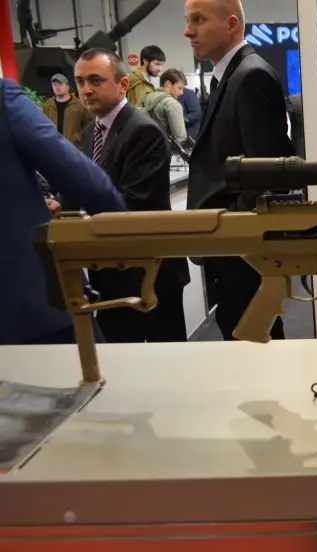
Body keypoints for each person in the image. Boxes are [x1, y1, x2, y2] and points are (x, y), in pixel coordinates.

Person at [184, 0, 294, 341]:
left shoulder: (250, 76)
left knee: (255, 342)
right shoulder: (231, 77)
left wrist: (230, 232)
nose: (187, 31)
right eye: (188, 20)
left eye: (198, 20)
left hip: (241, 250)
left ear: (232, 24)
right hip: (230, 249)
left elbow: (268, 176)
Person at [74, 49, 190, 343]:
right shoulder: (90, 133)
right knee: (119, 361)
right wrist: (63, 201)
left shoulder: (143, 131)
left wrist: (78, 213)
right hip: (111, 272)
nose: (86, 89)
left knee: (166, 362)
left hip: (149, 272)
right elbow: (89, 183)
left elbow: (132, 204)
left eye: (96, 80)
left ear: (123, 84)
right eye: (81, 81)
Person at [0, 78, 125, 345]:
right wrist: (128, 242)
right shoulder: (4, 99)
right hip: (31, 303)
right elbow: (87, 182)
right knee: (90, 369)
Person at [41, 74, 92, 146]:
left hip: (72, 147)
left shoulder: (79, 104)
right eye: (55, 85)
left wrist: (78, 138)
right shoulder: (48, 104)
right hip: (53, 146)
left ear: (67, 86)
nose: (57, 87)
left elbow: (90, 125)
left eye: (60, 84)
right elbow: (43, 124)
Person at [140, 68, 189, 142]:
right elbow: (180, 138)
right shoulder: (172, 104)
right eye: (179, 88)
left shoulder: (145, 98)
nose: (182, 93)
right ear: (168, 84)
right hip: (164, 147)